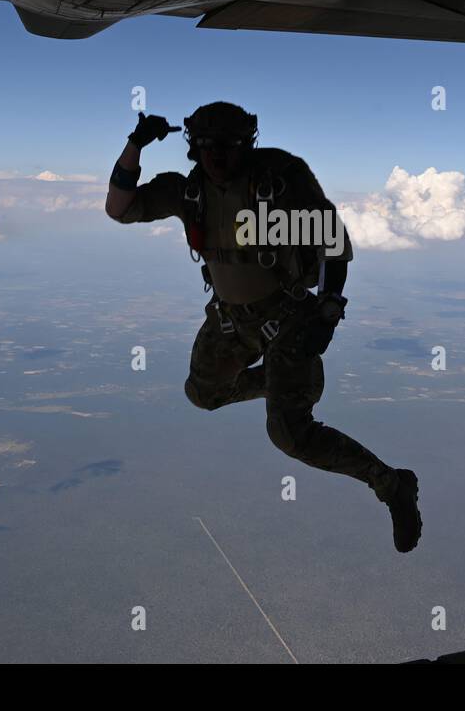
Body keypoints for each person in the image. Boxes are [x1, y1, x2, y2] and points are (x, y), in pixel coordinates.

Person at [105, 102, 422, 552]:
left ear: (247, 145)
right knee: (204, 394)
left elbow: (334, 244)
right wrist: (135, 145)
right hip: (230, 319)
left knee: (290, 434)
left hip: (288, 318)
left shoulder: (279, 178)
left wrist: (329, 310)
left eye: (229, 146)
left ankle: (391, 485)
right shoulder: (188, 191)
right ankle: (284, 384)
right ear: (193, 148)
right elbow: (118, 208)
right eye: (208, 146)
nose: (217, 157)